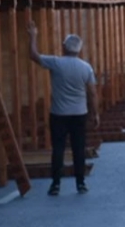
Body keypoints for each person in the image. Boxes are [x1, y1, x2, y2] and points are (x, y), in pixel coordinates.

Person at [27, 22, 98, 195]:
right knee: (78, 148)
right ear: (79, 50)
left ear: (64, 47)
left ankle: (56, 183)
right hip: (79, 113)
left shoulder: (56, 63)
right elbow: (92, 93)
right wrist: (95, 113)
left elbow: (34, 55)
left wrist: (33, 36)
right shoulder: (86, 67)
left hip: (58, 114)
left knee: (58, 148)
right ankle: (80, 183)